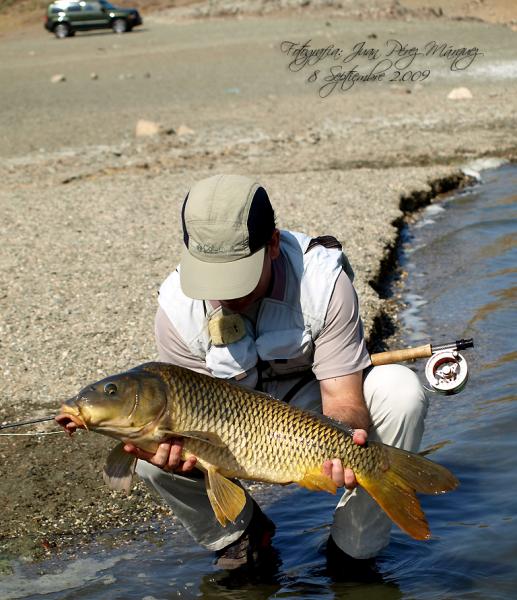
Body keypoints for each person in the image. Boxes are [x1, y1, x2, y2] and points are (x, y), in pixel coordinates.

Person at [126, 174, 428, 570]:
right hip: (224, 428)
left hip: (310, 409)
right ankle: (240, 536)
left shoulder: (323, 283)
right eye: (214, 276)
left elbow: (342, 400)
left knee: (400, 392)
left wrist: (337, 447)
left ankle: (353, 551)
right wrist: (177, 454)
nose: (227, 293)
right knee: (146, 447)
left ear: (272, 243)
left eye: (238, 276)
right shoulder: (176, 310)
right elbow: (187, 412)